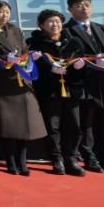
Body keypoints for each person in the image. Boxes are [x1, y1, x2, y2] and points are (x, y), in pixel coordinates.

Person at [0, 0, 47, 176]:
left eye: (7, 11)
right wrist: (5, 59)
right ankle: (10, 161)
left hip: (22, 82)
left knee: (25, 124)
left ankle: (22, 160)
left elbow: (24, 50)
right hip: (3, 82)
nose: (4, 15)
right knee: (8, 125)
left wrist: (30, 57)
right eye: (0, 11)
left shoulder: (15, 30)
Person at [27, 9, 86, 176]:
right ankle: (56, 158)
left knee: (74, 125)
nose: (55, 25)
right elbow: (31, 69)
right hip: (49, 90)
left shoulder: (73, 41)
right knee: (52, 126)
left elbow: (82, 65)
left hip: (71, 90)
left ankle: (71, 158)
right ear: (42, 25)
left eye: (58, 21)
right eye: (51, 22)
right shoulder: (35, 43)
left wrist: (78, 67)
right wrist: (48, 69)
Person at [64, 0, 104, 172]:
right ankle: (89, 156)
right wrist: (92, 60)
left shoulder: (102, 28)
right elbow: (69, 56)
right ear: (70, 10)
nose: (84, 8)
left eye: (87, 5)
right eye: (79, 5)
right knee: (86, 122)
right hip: (83, 81)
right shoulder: (67, 30)